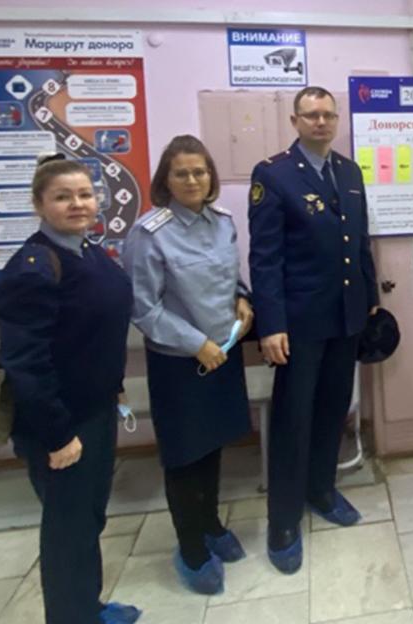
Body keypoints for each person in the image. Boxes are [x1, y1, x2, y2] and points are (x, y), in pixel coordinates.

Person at [0, 153, 142, 624]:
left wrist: (112, 388)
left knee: (88, 518)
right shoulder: (34, 268)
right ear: (39, 205)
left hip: (93, 411)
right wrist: (56, 435)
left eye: (84, 195)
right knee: (67, 528)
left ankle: (88, 609)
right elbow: (25, 363)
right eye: (62, 197)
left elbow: (91, 335)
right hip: (59, 425)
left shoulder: (87, 251)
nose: (77, 204)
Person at [248, 86, 379, 574]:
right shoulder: (273, 174)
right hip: (298, 325)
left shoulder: (349, 171)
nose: (320, 122)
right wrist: (271, 324)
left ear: (336, 119)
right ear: (295, 121)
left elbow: (359, 242)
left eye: (327, 114)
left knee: (332, 411)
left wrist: (369, 299)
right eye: (311, 115)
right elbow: (265, 258)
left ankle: (321, 490)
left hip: (345, 316)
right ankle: (283, 520)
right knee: (292, 419)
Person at [123, 135, 253, 594]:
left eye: (200, 171)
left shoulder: (222, 223)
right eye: (182, 173)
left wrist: (243, 298)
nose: (193, 180)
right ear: (166, 179)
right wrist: (197, 344)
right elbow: (144, 308)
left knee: (213, 445)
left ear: (210, 176)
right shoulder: (149, 234)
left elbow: (230, 276)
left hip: (224, 354)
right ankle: (191, 547)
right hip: (180, 363)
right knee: (184, 456)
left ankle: (211, 524)